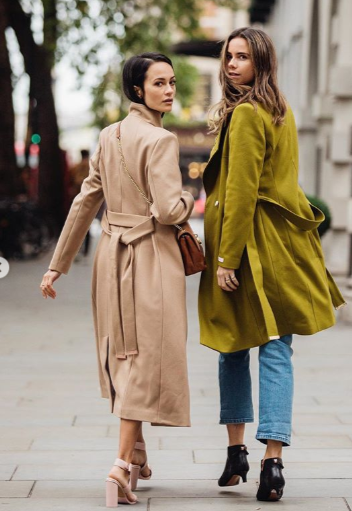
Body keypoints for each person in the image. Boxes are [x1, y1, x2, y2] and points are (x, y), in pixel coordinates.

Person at [40, 53, 194, 507]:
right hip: (150, 260)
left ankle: (139, 451)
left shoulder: (108, 136)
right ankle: (121, 466)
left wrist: (58, 264)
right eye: (159, 83)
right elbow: (167, 211)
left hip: (110, 258)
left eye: (171, 82)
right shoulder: (161, 140)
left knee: (125, 354)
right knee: (147, 358)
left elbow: (85, 202)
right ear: (137, 91)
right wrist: (187, 197)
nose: (169, 90)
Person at [198, 27, 346, 502]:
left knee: (232, 346)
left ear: (262, 62)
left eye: (243, 57)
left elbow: (240, 193)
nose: (232, 64)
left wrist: (225, 260)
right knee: (277, 351)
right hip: (282, 248)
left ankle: (238, 451)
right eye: (229, 57)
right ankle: (273, 461)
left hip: (247, 249)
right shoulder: (282, 112)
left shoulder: (244, 115)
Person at [69, 149, 92, 257]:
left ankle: (78, 248)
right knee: (87, 224)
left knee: (78, 223)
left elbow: (72, 180)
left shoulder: (76, 167)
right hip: (89, 198)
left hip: (77, 197)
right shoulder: (91, 166)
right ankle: (85, 249)